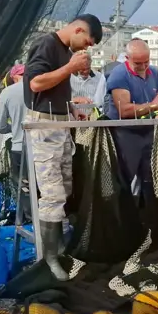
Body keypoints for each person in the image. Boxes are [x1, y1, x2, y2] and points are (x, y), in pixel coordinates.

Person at [24, 14, 102, 280]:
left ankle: (59, 248)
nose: (86, 48)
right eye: (87, 42)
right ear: (78, 30)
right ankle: (50, 258)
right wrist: (70, 67)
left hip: (60, 124)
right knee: (52, 193)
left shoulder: (64, 51)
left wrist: (70, 108)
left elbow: (53, 89)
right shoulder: (47, 44)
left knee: (65, 188)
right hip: (44, 126)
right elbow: (36, 83)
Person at [104, 39, 158, 196]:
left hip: (149, 132)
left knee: (151, 178)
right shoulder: (119, 74)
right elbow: (124, 110)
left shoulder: (153, 72)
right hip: (125, 133)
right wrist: (153, 106)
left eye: (146, 61)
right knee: (124, 178)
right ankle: (123, 209)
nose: (143, 66)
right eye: (138, 63)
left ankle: (147, 209)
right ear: (127, 58)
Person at [0, 64, 32, 222]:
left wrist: (14, 127)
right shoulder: (44, 88)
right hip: (46, 146)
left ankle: (29, 219)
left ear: (14, 77)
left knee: (24, 185)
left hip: (20, 146)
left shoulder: (8, 92)